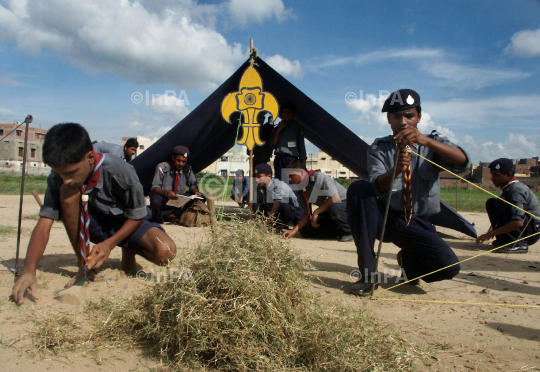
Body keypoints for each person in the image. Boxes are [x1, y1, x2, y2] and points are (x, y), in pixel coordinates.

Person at [11, 123, 176, 305]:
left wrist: (109, 244)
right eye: (59, 174)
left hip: (128, 224)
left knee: (166, 252)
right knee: (67, 191)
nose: (65, 179)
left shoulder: (120, 170)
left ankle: (128, 251)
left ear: (90, 157)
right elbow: (44, 223)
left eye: (70, 172)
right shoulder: (60, 179)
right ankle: (84, 265)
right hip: (93, 226)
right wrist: (28, 271)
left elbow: (137, 215)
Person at [346, 89, 470, 296]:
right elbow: (377, 185)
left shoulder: (433, 143)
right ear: (389, 119)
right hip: (386, 218)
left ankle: (408, 262)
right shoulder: (379, 147)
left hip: (417, 222)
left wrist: (427, 142)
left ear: (419, 117)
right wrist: (394, 171)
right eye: (397, 116)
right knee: (359, 189)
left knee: (448, 266)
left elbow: (463, 161)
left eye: (409, 115)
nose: (403, 121)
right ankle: (367, 275)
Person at [476, 158, 540, 253]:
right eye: (492, 174)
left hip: (532, 230)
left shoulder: (517, 190)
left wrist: (492, 233)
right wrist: (492, 229)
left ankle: (518, 244)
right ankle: (505, 240)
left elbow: (518, 222)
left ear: (509, 175)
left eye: (496, 175)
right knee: (492, 202)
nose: (492, 178)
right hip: (526, 227)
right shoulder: (508, 187)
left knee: (500, 202)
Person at [283, 159, 352, 241]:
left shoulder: (318, 177)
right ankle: (339, 231)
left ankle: (350, 232)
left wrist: (317, 212)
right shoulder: (301, 189)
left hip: (345, 207)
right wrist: (293, 231)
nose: (290, 179)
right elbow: (306, 215)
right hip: (330, 212)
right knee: (305, 231)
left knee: (335, 208)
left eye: (291, 176)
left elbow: (335, 198)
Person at [150, 145, 201, 224]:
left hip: (178, 200)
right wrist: (166, 193)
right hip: (165, 199)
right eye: (178, 160)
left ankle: (174, 215)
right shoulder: (162, 167)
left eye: (184, 161)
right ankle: (158, 217)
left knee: (200, 197)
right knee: (155, 199)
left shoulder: (188, 169)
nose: (181, 164)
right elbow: (154, 188)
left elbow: (193, 186)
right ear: (173, 158)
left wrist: (195, 192)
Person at [252, 163, 299, 228]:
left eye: (259, 177)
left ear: (269, 176)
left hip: (289, 211)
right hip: (273, 209)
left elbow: (275, 208)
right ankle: (270, 223)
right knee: (257, 203)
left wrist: (264, 226)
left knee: (279, 202)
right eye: (256, 177)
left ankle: (280, 224)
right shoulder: (260, 187)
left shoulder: (278, 185)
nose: (256, 180)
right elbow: (256, 206)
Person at [271, 102, 307, 181]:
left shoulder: (296, 129)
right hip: (279, 158)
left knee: (291, 183)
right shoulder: (277, 128)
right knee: (279, 182)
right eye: (284, 113)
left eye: (288, 113)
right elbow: (273, 144)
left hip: (291, 160)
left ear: (293, 115)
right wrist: (278, 130)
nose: (286, 115)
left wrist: (303, 166)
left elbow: (301, 148)